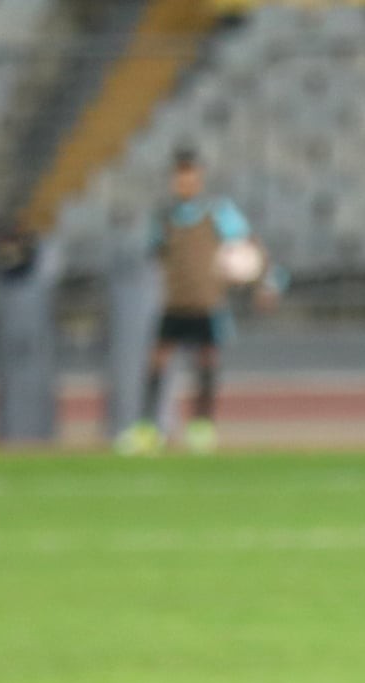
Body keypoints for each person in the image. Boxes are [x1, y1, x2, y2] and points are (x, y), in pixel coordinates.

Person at [115, 148, 270, 456]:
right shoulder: (165, 217)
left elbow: (248, 245)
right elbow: (155, 252)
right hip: (175, 303)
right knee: (157, 362)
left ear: (199, 180)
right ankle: (148, 429)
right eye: (180, 179)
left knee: (206, 361)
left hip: (207, 303)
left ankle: (202, 427)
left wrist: (263, 280)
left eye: (190, 178)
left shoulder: (218, 212)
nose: (185, 184)